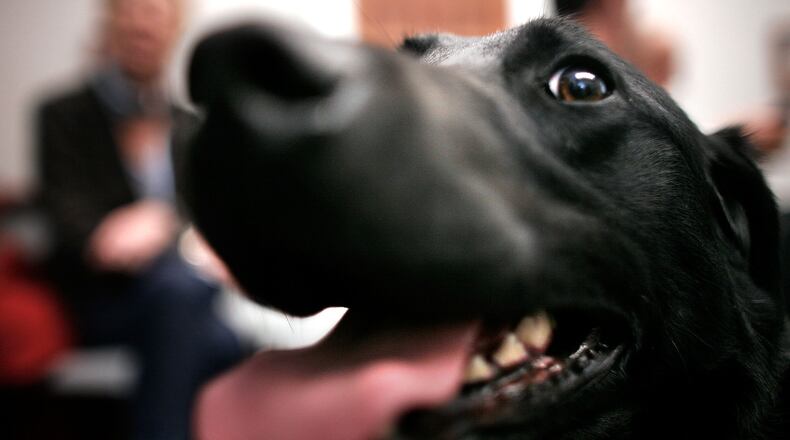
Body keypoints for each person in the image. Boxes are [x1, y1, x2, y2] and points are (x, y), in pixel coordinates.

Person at [36, 0, 245, 439]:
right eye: (131, 14)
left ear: (173, 31)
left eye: (155, 16)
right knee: (206, 323)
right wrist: (114, 234)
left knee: (220, 334)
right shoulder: (63, 116)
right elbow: (73, 227)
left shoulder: (188, 126)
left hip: (182, 293)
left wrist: (158, 224)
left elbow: (202, 219)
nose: (142, 26)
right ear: (111, 24)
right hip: (105, 298)